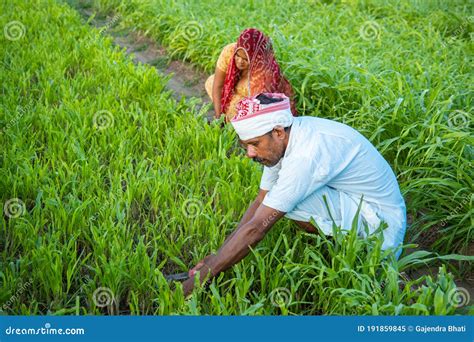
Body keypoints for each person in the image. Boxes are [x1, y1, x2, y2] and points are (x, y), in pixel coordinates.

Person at [182, 93, 408, 296]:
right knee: (275, 199)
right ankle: (339, 243)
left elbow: (258, 227)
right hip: (352, 200)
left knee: (288, 203)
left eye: (254, 144)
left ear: (278, 132)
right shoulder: (284, 140)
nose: (250, 153)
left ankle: (357, 253)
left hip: (380, 225)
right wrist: (216, 255)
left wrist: (194, 284)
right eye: (245, 146)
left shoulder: (305, 155)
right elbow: (260, 200)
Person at [205, 28, 297, 122]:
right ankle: (226, 118)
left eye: (245, 59)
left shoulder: (264, 71)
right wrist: (218, 117)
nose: (240, 62)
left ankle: (234, 123)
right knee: (211, 82)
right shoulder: (229, 51)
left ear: (255, 58)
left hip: (254, 104)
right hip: (234, 92)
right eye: (238, 56)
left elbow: (259, 107)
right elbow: (218, 85)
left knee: (236, 109)